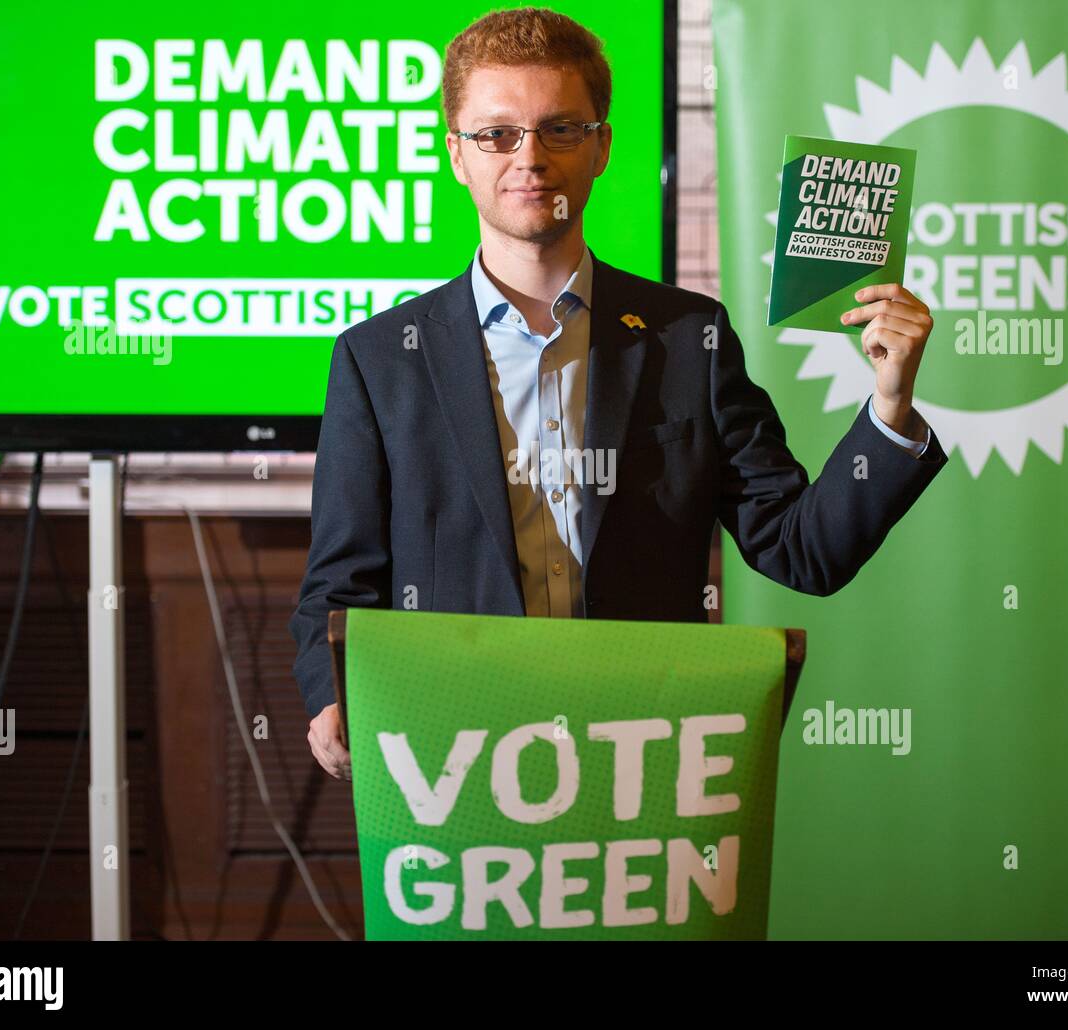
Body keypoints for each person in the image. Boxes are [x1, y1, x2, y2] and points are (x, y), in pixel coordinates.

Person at [290, 7, 948, 781]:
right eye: (497, 134)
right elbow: (338, 583)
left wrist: (891, 407)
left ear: (600, 147)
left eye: (559, 129)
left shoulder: (687, 340)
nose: (528, 157)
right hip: (447, 754)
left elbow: (802, 550)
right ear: (457, 156)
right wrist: (324, 694)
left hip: (641, 758)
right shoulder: (378, 359)